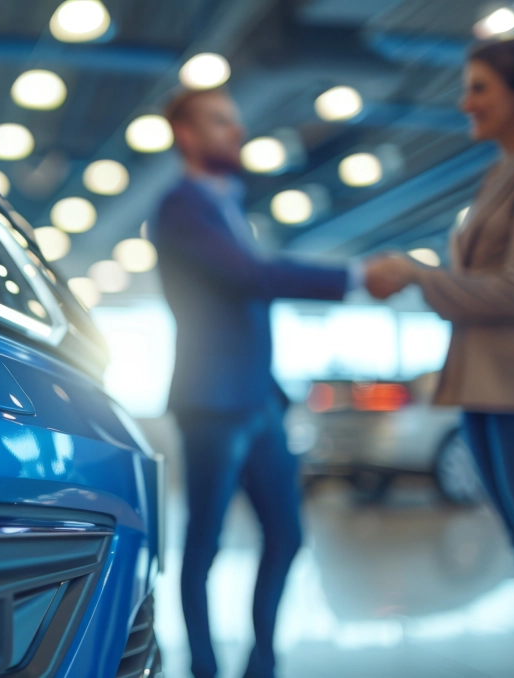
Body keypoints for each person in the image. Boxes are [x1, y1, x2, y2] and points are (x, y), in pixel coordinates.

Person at [366, 37, 514, 678]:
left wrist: (418, 275)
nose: (464, 101)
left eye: (479, 88)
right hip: (482, 385)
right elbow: (482, 288)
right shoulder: (501, 172)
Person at [150, 88, 359, 678]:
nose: (235, 132)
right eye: (220, 122)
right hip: (212, 401)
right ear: (186, 135)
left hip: (259, 399)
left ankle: (262, 663)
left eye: (236, 121)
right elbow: (250, 277)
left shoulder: (227, 206)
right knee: (205, 547)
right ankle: (205, 668)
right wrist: (357, 276)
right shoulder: (180, 207)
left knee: (287, 534)